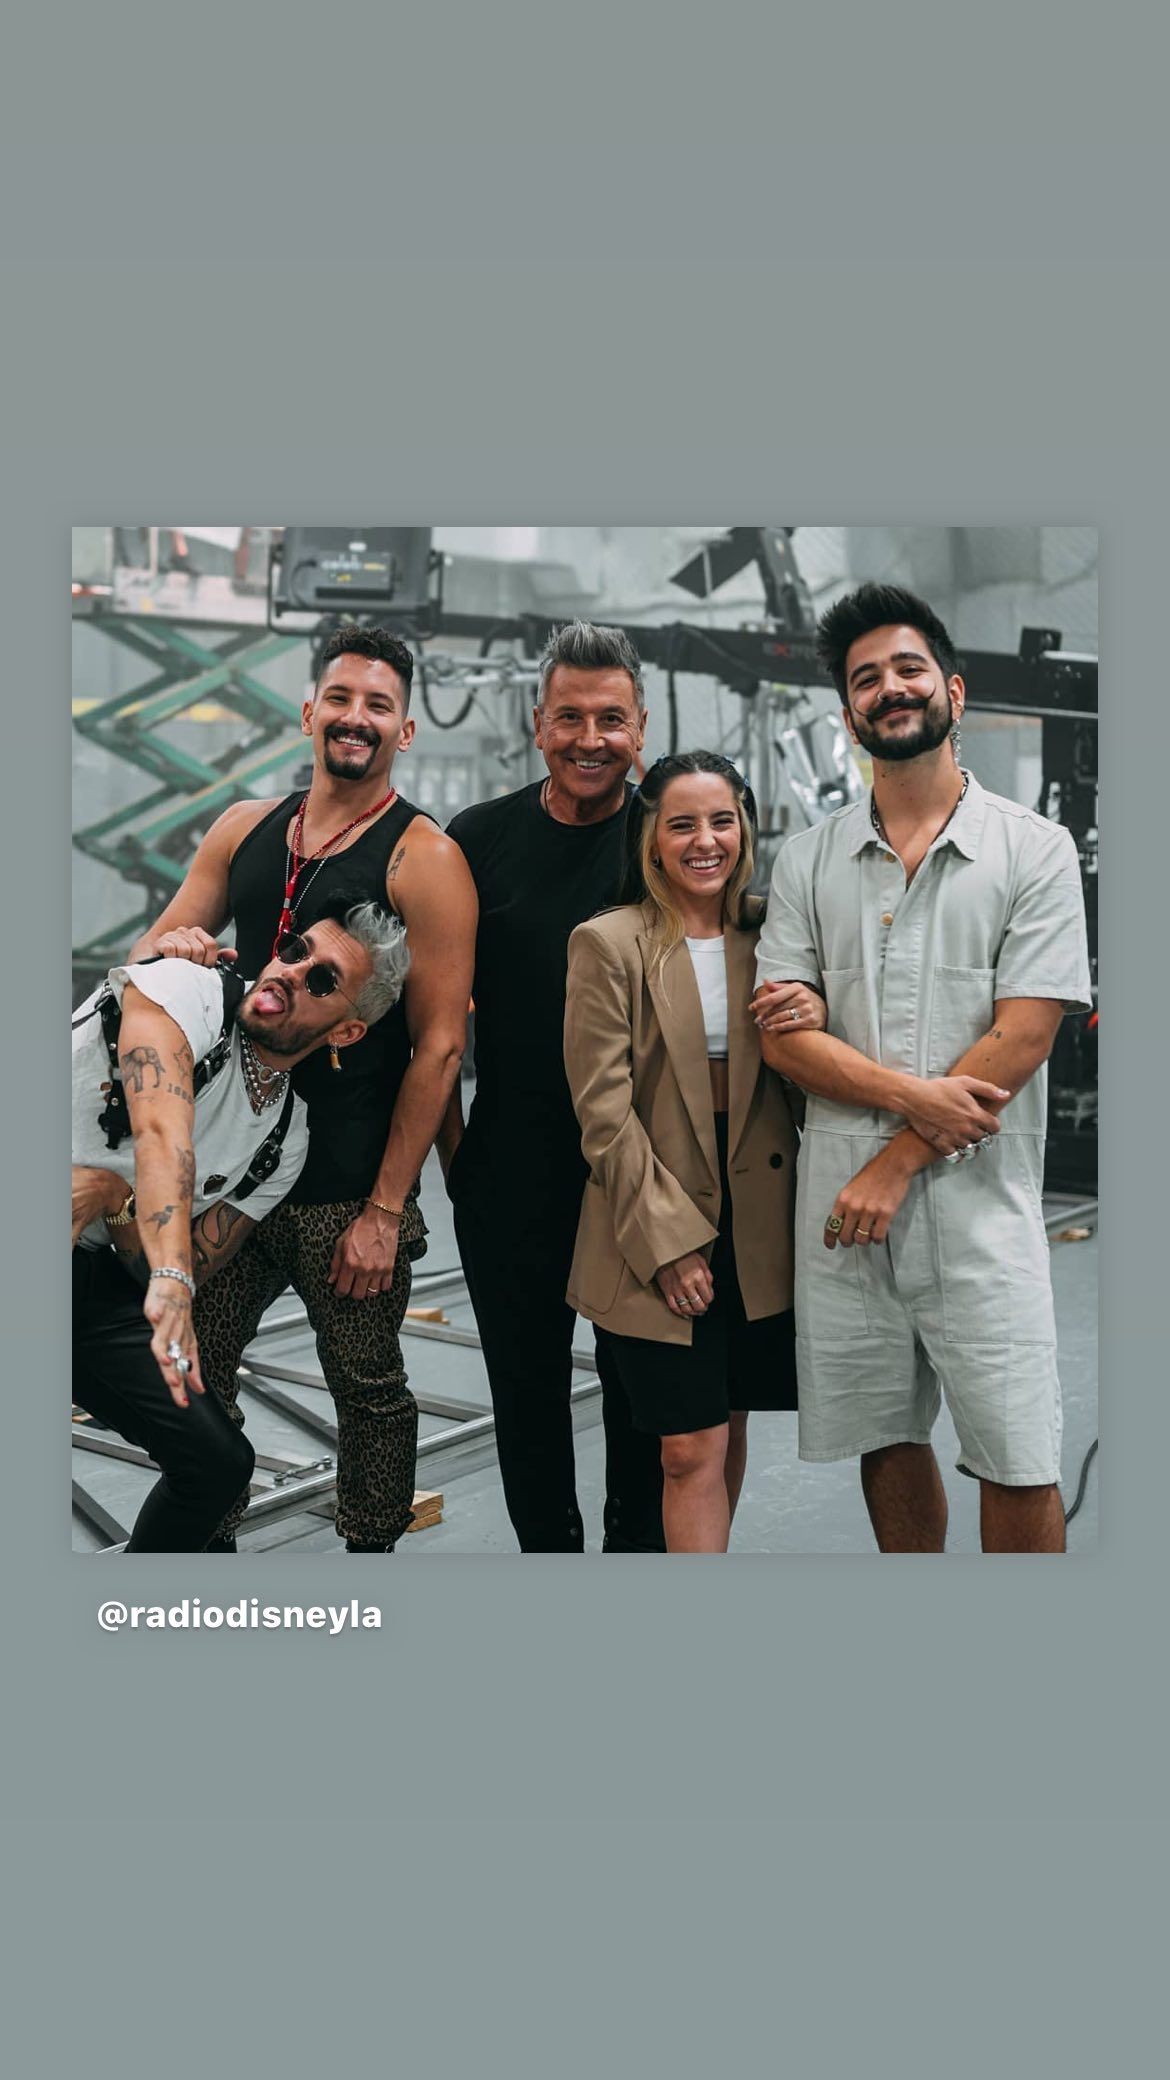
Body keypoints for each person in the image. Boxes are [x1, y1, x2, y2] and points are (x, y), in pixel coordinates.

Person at [752, 581, 1092, 1554]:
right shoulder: (807, 861)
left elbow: (1023, 1036)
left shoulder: (1033, 851)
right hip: (845, 1217)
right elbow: (783, 1037)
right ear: (848, 713)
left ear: (953, 690)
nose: (890, 688)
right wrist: (911, 1098)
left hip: (978, 1206)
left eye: (908, 668)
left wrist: (896, 1161)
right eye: (866, 679)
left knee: (1017, 1452)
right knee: (886, 1435)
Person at [128, 624, 477, 1552]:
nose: (356, 718)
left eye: (379, 706)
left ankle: (370, 1556)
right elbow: (150, 957)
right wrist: (180, 947)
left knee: (366, 1389)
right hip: (233, 1174)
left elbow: (440, 1048)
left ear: (406, 731)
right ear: (309, 711)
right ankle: (207, 1547)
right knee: (198, 1375)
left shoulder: (424, 860)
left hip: (345, 1190)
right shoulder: (243, 827)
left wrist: (386, 1210)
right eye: (342, 699)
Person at [73, 897, 408, 1551]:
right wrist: (170, 1275)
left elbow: (187, 1264)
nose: (292, 971)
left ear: (346, 1032)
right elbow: (162, 1130)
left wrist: (116, 1200)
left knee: (218, 1466)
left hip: (93, 1276)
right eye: (295, 949)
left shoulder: (283, 1141)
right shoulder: (190, 989)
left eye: (322, 979)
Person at [563, 752, 823, 1551]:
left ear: (746, 829)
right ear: (651, 838)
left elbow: (813, 1063)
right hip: (653, 1208)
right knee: (685, 1448)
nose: (705, 841)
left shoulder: (777, 931)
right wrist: (668, 1243)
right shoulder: (608, 942)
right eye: (682, 824)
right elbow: (603, 1114)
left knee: (727, 1423)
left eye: (721, 821)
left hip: (758, 1222)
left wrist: (815, 1011)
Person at [444, 621, 666, 1552]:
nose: (590, 739)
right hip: (511, 1172)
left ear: (641, 727)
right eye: (569, 717)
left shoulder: (670, 838)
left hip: (639, 1176)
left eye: (611, 718)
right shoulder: (477, 840)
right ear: (537, 724)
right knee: (527, 1400)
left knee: (641, 1403)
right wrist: (458, 1159)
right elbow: (434, 1018)